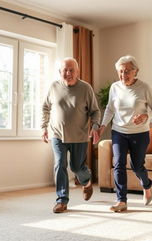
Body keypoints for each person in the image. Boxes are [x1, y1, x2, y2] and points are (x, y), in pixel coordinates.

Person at [99, 55, 152, 212]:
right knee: (118, 163)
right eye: (120, 71)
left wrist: (146, 115)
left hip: (139, 133)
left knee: (137, 166)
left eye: (127, 71)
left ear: (136, 71)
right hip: (119, 131)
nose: (123, 75)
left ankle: (147, 184)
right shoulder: (115, 87)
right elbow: (110, 109)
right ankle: (121, 200)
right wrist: (103, 125)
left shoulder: (144, 88)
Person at [42, 57, 101, 213]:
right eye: (65, 70)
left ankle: (86, 182)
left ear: (77, 71)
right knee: (60, 163)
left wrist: (95, 127)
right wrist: (44, 127)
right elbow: (46, 108)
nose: (68, 73)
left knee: (76, 166)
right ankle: (62, 200)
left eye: (71, 70)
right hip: (57, 134)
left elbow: (95, 112)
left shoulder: (85, 88)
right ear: (60, 72)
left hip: (79, 136)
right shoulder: (54, 87)